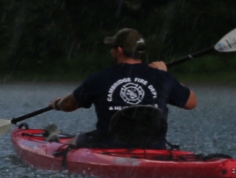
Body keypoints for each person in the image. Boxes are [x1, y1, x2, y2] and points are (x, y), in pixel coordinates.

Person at [48, 28, 199, 149]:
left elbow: (70, 105)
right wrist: (165, 75)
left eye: (112, 47)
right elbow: (191, 103)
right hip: (152, 146)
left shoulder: (99, 78)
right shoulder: (161, 77)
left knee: (74, 141)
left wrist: (59, 104)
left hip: (107, 143)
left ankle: (56, 144)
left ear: (119, 50)